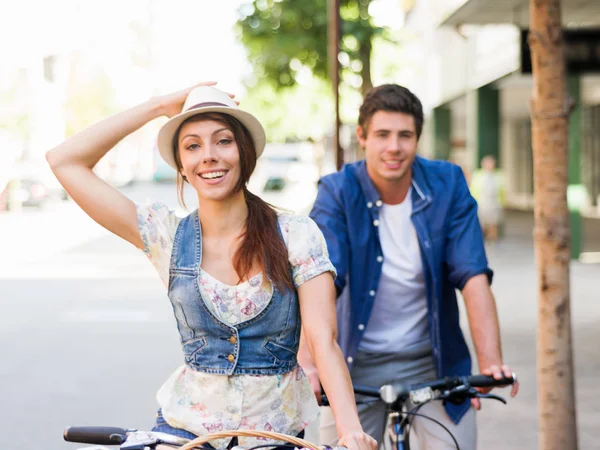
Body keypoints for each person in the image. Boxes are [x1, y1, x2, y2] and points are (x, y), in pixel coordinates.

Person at [46, 82, 377, 450]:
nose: (208, 156)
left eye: (223, 141)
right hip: (184, 434)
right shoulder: (166, 235)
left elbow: (323, 340)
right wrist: (157, 105)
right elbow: (65, 161)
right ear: (182, 166)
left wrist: (350, 431)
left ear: (244, 153)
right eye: (192, 145)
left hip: (273, 437)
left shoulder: (297, 235)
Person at [301, 84, 519, 450]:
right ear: (362, 137)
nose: (394, 147)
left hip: (430, 361)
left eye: (405, 135)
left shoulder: (447, 184)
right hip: (353, 362)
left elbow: (473, 274)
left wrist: (490, 362)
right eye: (382, 134)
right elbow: (320, 279)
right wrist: (308, 362)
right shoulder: (337, 191)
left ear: (418, 138)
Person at [469, 155, 505, 241]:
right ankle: (481, 237)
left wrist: (502, 203)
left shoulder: (498, 176)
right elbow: (473, 189)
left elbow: (502, 190)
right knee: (481, 221)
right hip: (481, 201)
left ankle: (492, 237)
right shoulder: (478, 175)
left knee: (493, 222)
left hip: (494, 202)